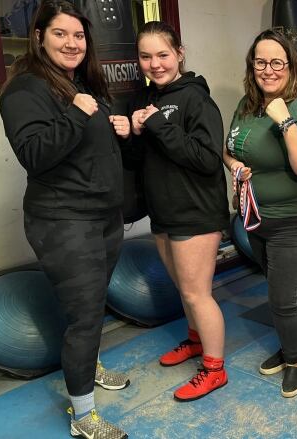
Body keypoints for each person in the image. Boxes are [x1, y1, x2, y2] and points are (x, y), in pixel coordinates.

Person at [0, 1, 129, 437]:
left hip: (102, 216)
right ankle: (84, 415)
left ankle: (89, 366)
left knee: (93, 306)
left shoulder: (78, 82)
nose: (72, 43)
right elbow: (34, 153)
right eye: (61, 34)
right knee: (86, 317)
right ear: (39, 36)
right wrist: (78, 112)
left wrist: (120, 126)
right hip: (63, 221)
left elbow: (91, 147)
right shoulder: (26, 90)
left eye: (78, 35)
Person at [128, 21, 229, 401]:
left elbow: (206, 159)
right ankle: (195, 341)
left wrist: (157, 124)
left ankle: (215, 368)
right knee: (184, 291)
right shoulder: (144, 98)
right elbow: (143, 160)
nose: (155, 64)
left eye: (163, 55)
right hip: (164, 210)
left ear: (179, 53)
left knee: (197, 293)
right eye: (146, 56)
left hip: (196, 210)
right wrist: (134, 132)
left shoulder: (196, 99)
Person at [222, 29, 297, 398]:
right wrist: (234, 165)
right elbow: (229, 148)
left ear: (290, 66)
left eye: (276, 62)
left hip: (294, 221)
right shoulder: (246, 105)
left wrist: (283, 119)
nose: (268, 70)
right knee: (281, 290)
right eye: (260, 62)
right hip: (255, 218)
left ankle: (294, 359)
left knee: (282, 298)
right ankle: (288, 344)